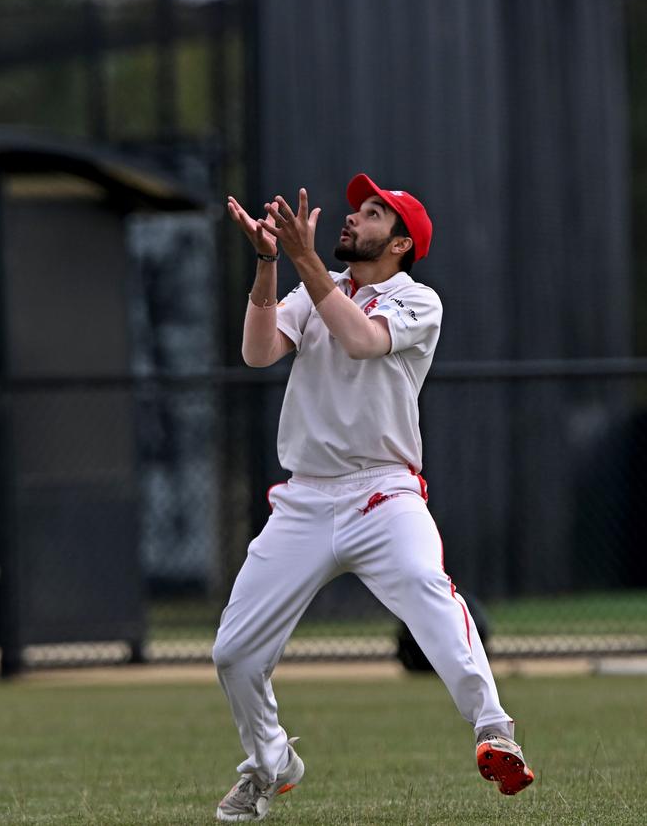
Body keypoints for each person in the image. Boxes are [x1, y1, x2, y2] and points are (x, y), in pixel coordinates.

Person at [213, 174, 534, 822]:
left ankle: (494, 728)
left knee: (425, 584)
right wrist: (270, 262)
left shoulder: (418, 299)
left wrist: (303, 260)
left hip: (383, 493)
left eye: (372, 213)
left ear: (402, 241)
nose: (354, 219)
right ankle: (270, 761)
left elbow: (361, 340)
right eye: (356, 209)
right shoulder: (313, 290)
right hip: (305, 499)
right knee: (233, 652)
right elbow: (256, 351)